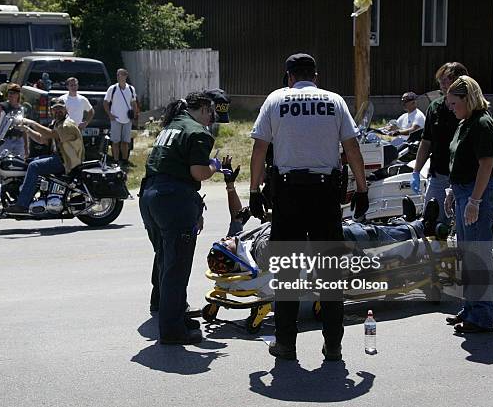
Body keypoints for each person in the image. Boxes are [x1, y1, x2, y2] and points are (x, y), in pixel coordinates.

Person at [249, 53, 368, 361]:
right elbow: (352, 148)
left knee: (287, 272)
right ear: (316, 76)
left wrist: (252, 189)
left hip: (288, 194)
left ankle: (286, 345)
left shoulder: (276, 100)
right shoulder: (334, 101)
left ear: (289, 76)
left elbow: (260, 147)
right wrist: (362, 187)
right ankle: (333, 346)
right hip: (325, 194)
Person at [139, 91, 228, 345]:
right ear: (203, 108)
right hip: (173, 199)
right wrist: (215, 165)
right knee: (177, 265)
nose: (212, 118)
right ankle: (172, 330)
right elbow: (198, 172)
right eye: (212, 112)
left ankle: (166, 309)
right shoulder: (198, 132)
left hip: (150, 196)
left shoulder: (171, 126)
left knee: (166, 256)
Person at [444, 76, 493, 334]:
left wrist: (474, 202)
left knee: (478, 257)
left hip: (477, 192)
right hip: (463, 191)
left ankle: (483, 316)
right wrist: (451, 191)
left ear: (467, 99)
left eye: (454, 103)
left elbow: (486, 165)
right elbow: (461, 161)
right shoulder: (466, 123)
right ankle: (471, 309)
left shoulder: (482, 124)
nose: (451, 108)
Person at [411, 62, 469, 224]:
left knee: (464, 225)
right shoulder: (434, 107)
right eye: (440, 81)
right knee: (431, 221)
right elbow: (426, 142)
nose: (443, 84)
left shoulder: (469, 108)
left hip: (464, 177)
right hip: (439, 175)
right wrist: (416, 171)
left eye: (447, 80)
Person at [5, 98, 84, 213]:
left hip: (66, 162)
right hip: (59, 158)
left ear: (66, 110)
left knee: (34, 166)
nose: (58, 111)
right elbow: (42, 139)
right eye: (55, 109)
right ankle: (24, 194)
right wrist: (27, 129)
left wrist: (32, 123)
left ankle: (22, 204)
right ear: (51, 111)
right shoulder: (56, 123)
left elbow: (51, 134)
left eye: (60, 109)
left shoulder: (67, 125)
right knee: (26, 163)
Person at [104, 69, 139, 165]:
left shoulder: (131, 89)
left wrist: (134, 115)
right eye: (118, 75)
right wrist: (110, 115)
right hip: (115, 118)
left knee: (125, 142)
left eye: (122, 75)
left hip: (127, 119)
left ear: (126, 76)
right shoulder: (112, 88)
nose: (120, 77)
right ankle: (115, 160)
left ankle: (124, 160)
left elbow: (133, 103)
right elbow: (106, 102)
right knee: (115, 142)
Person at [0, 83, 28, 157]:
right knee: (3, 163)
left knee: (19, 163)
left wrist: (26, 145)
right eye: (9, 92)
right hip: (5, 140)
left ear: (18, 95)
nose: (11, 95)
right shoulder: (2, 107)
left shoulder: (21, 109)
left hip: (18, 140)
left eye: (13, 93)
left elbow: (24, 128)